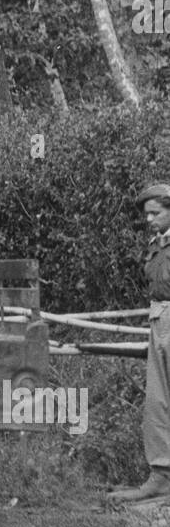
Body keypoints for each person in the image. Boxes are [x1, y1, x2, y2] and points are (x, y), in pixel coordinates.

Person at [109, 182, 170, 504]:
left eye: (155, 213)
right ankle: (161, 478)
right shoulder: (157, 244)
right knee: (158, 403)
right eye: (147, 214)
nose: (149, 219)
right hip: (159, 320)